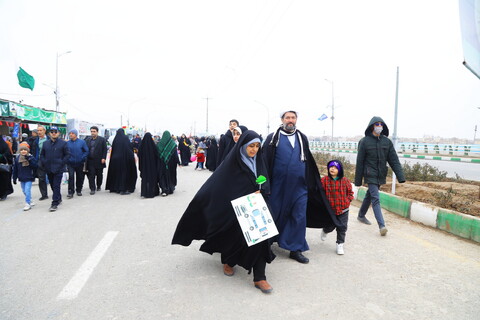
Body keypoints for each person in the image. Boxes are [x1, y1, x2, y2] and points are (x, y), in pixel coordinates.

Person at [172, 130, 275, 294]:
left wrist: (262, 191)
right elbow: (219, 187)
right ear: (243, 146)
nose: (254, 150)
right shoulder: (232, 164)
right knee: (234, 238)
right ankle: (229, 261)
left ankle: (260, 277)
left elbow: (265, 183)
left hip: (255, 208)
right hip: (235, 210)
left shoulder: (259, 162)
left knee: (261, 239)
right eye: (251, 146)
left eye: (257, 146)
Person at [263, 110, 340, 264]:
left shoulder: (301, 137)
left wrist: (312, 184)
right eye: (287, 118)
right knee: (274, 214)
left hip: (299, 187)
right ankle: (266, 245)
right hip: (277, 186)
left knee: (298, 216)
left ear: (296, 119)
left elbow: (308, 162)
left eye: (293, 117)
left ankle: (295, 249)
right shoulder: (273, 138)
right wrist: (262, 183)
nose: (290, 120)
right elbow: (264, 162)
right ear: (282, 119)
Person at [355, 116, 406, 236]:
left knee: (370, 195)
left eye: (381, 124)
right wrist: (358, 180)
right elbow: (360, 162)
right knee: (375, 198)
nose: (379, 126)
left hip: (380, 174)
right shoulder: (364, 142)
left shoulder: (386, 142)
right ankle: (382, 225)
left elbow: (393, 160)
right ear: (372, 126)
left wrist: (400, 176)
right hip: (370, 174)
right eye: (377, 124)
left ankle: (361, 215)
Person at [320, 160, 354, 255]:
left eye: (335, 167)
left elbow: (350, 193)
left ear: (340, 170)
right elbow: (319, 192)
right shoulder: (324, 180)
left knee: (342, 227)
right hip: (330, 210)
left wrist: (348, 201)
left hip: (343, 210)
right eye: (331, 167)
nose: (332, 169)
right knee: (330, 226)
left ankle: (340, 244)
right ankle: (325, 230)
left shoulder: (345, 181)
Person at [40, 126, 70, 212]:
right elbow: (42, 155)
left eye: (55, 131)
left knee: (56, 185)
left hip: (59, 168)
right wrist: (44, 162)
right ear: (49, 133)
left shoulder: (63, 143)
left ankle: (54, 203)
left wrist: (61, 162)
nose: (53, 133)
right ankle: (58, 197)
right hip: (49, 168)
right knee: (52, 185)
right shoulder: (45, 143)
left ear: (58, 133)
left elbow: (67, 155)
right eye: (52, 131)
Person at [105, 128, 137, 195]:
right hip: (123, 159)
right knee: (123, 174)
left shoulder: (115, 139)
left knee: (116, 174)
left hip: (115, 159)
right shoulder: (125, 138)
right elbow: (128, 149)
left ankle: (114, 188)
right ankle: (123, 189)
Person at [12, 142, 37, 211]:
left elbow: (35, 166)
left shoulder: (31, 158)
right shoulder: (17, 159)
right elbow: (15, 169)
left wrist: (29, 159)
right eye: (22, 150)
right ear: (19, 151)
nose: (23, 151)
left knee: (27, 190)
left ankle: (27, 203)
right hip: (21, 177)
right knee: (24, 191)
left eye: (25, 150)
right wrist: (14, 178)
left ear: (28, 150)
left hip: (29, 177)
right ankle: (30, 200)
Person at [84, 126, 108, 195]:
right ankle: (92, 189)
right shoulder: (88, 140)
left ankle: (99, 185)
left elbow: (104, 150)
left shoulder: (102, 140)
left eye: (94, 131)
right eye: (91, 131)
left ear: (97, 132)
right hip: (90, 160)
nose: (92, 133)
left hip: (99, 160)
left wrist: (104, 158)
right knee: (91, 175)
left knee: (99, 174)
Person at [66, 129, 89, 198]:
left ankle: (79, 190)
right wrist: (68, 159)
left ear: (76, 134)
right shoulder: (67, 143)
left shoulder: (82, 142)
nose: (71, 134)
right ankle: (70, 192)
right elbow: (65, 152)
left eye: (72, 133)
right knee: (71, 177)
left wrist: (82, 158)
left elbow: (86, 151)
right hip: (70, 163)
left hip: (79, 163)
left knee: (80, 177)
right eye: (70, 133)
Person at [157, 131, 180, 196]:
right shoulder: (173, 144)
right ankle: (171, 187)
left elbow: (156, 155)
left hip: (162, 164)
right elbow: (175, 155)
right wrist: (178, 162)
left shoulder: (159, 144)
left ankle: (164, 189)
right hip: (171, 164)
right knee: (171, 175)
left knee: (162, 175)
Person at [138, 132, 160, 198]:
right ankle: (153, 192)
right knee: (152, 178)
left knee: (145, 179)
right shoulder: (154, 146)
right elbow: (157, 156)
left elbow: (139, 156)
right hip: (152, 166)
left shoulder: (141, 146)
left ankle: (144, 193)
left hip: (144, 166)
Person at [31, 125, 49, 200]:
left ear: (44, 131)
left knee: (52, 178)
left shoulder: (49, 139)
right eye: (38, 131)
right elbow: (34, 151)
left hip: (49, 161)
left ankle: (56, 193)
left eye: (41, 130)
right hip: (40, 161)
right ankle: (44, 194)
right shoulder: (36, 141)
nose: (39, 132)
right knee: (41, 179)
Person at [0, 136, 14, 201]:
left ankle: (3, 194)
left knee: (3, 181)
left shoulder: (4, 144)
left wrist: (1, 156)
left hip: (2, 166)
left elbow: (7, 153)